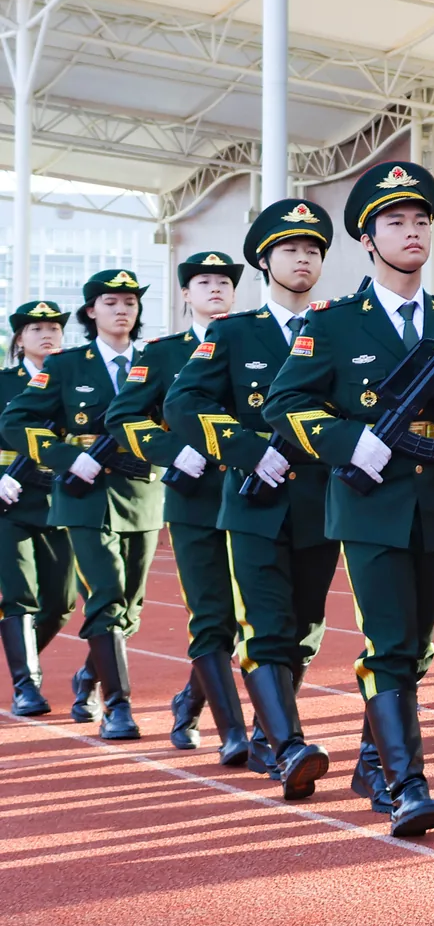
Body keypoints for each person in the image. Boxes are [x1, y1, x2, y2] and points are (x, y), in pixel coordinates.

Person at [263, 161, 434, 837]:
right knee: (388, 642)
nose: (411, 231)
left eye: (421, 220)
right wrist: (348, 442)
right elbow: (286, 405)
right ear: (368, 241)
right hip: (370, 503)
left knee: (417, 646)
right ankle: (409, 784)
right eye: (395, 222)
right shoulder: (337, 322)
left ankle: (373, 761)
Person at [164, 201, 341, 800]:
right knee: (266, 626)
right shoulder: (234, 333)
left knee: (306, 627)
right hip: (256, 503)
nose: (303, 259)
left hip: (321, 502)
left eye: (313, 250)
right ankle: (288, 746)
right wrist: (244, 450)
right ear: (265, 261)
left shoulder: (339, 327)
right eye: (291, 249)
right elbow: (184, 404)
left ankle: (271, 732)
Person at [2, 270, 165, 741]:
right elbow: (17, 420)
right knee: (106, 595)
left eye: (130, 302)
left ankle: (89, 677)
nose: (122, 310)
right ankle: (118, 706)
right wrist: (69, 457)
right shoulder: (67, 365)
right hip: (83, 495)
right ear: (91, 311)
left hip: (143, 492)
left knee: (131, 606)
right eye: (111, 301)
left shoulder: (159, 359)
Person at [111, 252, 243, 764]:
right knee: (212, 615)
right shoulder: (163, 353)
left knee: (265, 620)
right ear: (186, 294)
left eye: (224, 283)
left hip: (263, 495)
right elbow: (123, 417)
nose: (215, 290)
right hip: (196, 500)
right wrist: (171, 452)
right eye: (204, 282)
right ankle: (233, 732)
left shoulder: (257, 340)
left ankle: (188, 702)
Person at [0, 300, 72, 715]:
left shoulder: (73, 380)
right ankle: (27, 685)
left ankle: (19, 659)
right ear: (20, 338)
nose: (47, 335)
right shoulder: (4, 382)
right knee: (19, 596)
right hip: (9, 500)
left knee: (59, 603)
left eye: (54, 328)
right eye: (36, 328)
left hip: (59, 497)